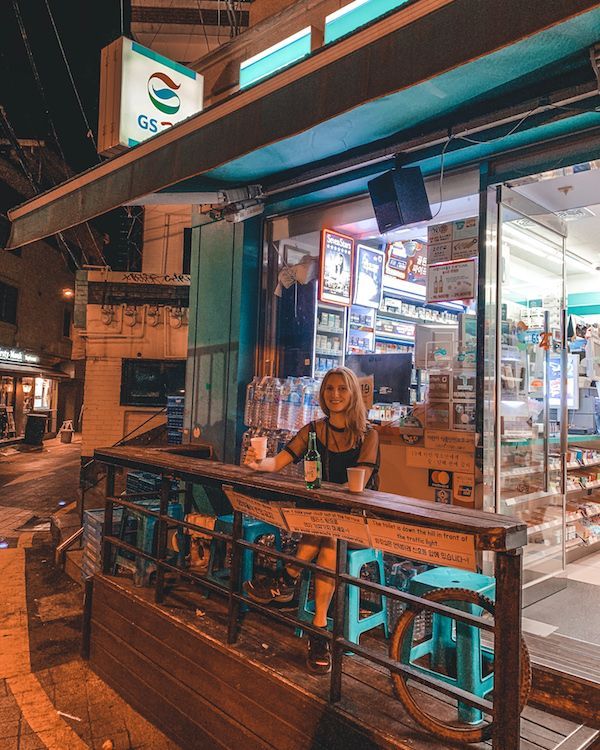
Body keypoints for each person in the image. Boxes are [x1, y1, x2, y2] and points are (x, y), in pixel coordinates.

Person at [243, 366, 379, 674]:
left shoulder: (369, 434)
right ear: (322, 394)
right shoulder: (313, 430)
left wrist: (335, 505)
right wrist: (257, 463)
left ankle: (287, 577)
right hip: (324, 521)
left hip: (358, 519)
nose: (335, 394)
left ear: (353, 394)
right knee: (325, 535)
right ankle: (319, 629)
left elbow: (360, 483)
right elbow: (279, 461)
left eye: (342, 389)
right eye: (329, 389)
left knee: (326, 533)